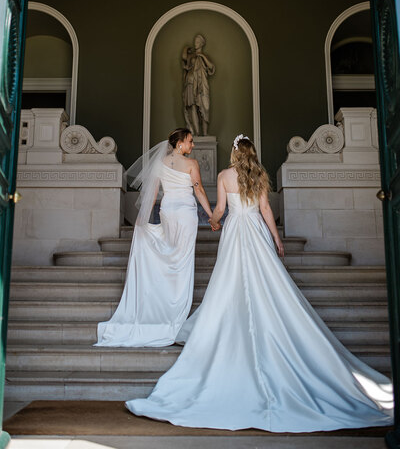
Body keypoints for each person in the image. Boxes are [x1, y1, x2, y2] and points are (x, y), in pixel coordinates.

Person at [126, 134, 394, 432]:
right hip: (255, 229)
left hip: (234, 230)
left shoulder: (224, 176)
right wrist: (277, 239)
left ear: (234, 153)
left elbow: (221, 209)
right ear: (252, 153)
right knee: (265, 276)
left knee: (230, 276)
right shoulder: (259, 175)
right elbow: (266, 210)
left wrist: (214, 221)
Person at [95, 128, 213, 347]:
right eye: (190, 141)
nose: (193, 145)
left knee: (170, 253)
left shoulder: (159, 164)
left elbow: (151, 194)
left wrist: (141, 220)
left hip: (167, 211)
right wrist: (212, 216)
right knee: (183, 258)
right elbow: (199, 191)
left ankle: (165, 299)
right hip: (185, 214)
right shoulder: (191, 164)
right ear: (180, 143)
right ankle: (175, 305)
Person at [182, 34, 215, 136]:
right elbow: (185, 60)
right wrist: (185, 49)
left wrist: (202, 56)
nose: (195, 43)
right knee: (192, 107)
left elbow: (211, 67)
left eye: (197, 42)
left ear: (201, 44)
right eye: (195, 41)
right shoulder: (191, 56)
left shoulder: (204, 57)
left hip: (202, 85)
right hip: (191, 83)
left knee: (205, 107)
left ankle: (205, 133)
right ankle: (196, 134)